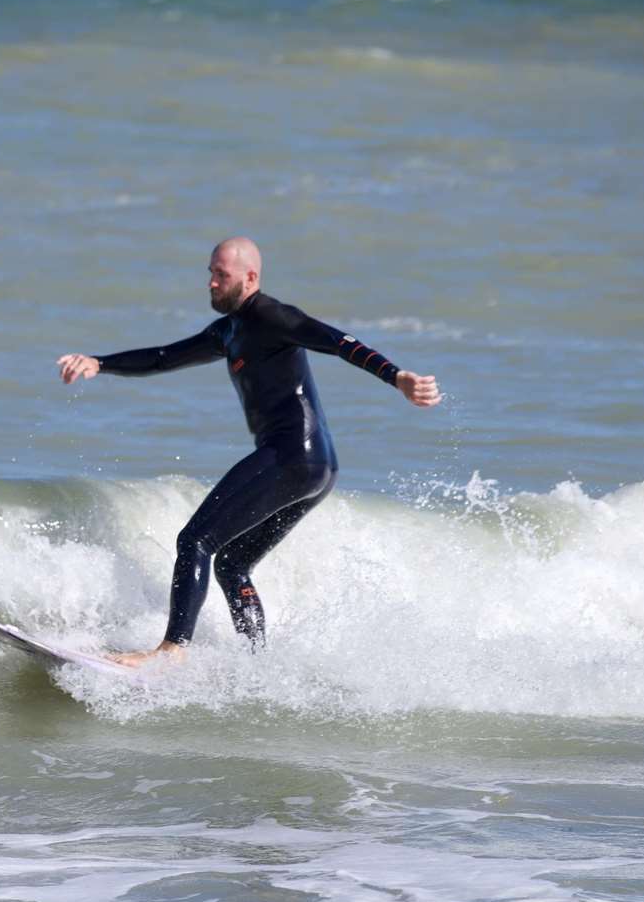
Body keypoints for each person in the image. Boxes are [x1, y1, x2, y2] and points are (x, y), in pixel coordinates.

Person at [56, 237, 440, 666]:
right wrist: (99, 362)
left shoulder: (273, 316)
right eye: (210, 273)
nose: (211, 283)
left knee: (195, 540)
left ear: (250, 277)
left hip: (294, 455)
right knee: (232, 565)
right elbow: (164, 357)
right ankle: (256, 667)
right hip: (317, 469)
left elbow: (337, 341)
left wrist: (395, 376)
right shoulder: (230, 331)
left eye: (221, 275)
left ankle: (170, 652)